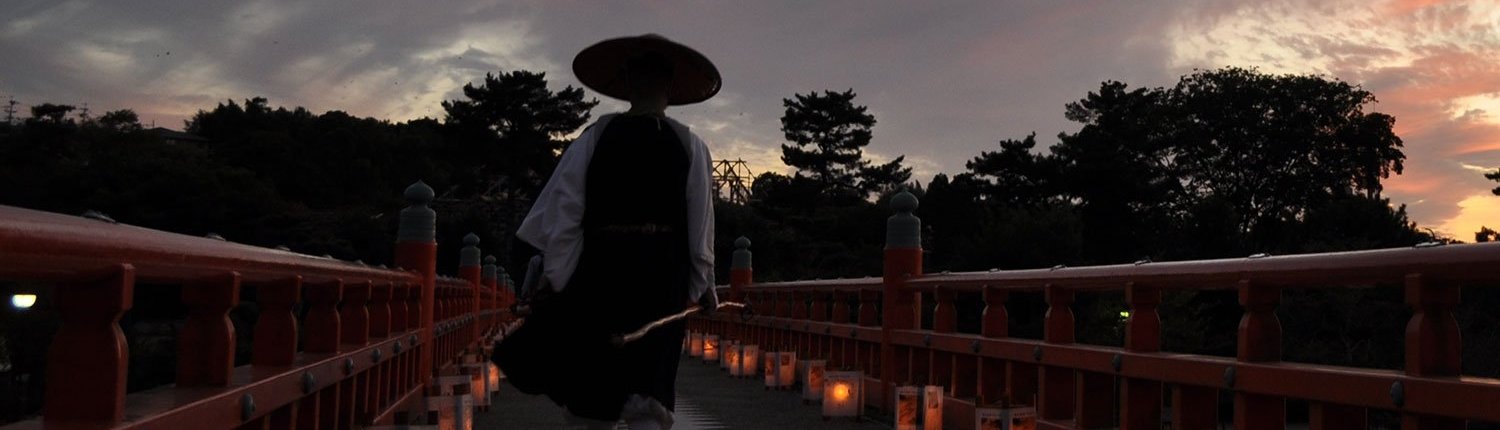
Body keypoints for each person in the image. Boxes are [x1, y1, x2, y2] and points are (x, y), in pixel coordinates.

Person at [494, 34, 720, 430]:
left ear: (628, 83)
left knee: (594, 390)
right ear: (668, 88)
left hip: (600, 272)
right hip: (663, 275)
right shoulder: (691, 145)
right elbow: (700, 233)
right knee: (648, 391)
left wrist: (562, 279)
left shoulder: (594, 138)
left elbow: (565, 216)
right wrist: (698, 285)